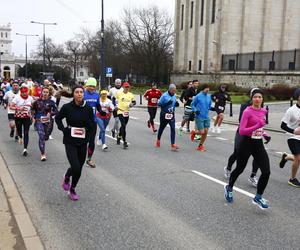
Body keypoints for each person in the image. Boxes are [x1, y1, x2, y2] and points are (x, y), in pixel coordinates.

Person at [224, 89, 271, 210]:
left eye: (260, 97)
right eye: (255, 97)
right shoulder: (247, 111)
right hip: (246, 143)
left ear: (262, 99)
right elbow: (242, 130)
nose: (257, 99)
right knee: (240, 169)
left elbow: (260, 127)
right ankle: (229, 187)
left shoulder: (264, 111)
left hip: (258, 143)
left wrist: (264, 134)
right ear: (252, 98)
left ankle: (258, 197)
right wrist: (257, 125)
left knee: (266, 172)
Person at [55, 85, 94, 201]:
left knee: (79, 168)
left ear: (83, 94)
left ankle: (72, 188)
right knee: (75, 167)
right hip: (70, 141)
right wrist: (63, 129)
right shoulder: (67, 107)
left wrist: (88, 127)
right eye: (77, 92)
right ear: (73, 94)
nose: (79, 94)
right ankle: (67, 177)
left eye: (81, 92)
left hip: (82, 140)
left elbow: (91, 123)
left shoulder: (88, 108)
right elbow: (58, 118)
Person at [280, 88, 300, 187]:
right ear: (297, 97)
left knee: (298, 158)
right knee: (298, 157)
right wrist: (294, 131)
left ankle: (286, 157)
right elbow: (282, 125)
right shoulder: (291, 110)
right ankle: (292, 179)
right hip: (293, 137)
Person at [32, 87, 58, 161]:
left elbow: (57, 111)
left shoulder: (51, 102)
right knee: (41, 136)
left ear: (49, 93)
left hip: (48, 121)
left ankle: (45, 138)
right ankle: (43, 154)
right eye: (44, 92)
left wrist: (51, 113)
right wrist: (33, 116)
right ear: (42, 93)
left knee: (46, 136)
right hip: (39, 120)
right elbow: (32, 109)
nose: (45, 93)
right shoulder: (37, 102)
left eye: (47, 92)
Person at [11, 86, 34, 156]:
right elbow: (11, 106)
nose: (24, 94)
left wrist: (32, 116)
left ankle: (25, 149)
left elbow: (33, 107)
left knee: (26, 132)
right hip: (18, 117)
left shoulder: (30, 98)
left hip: (27, 117)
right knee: (19, 131)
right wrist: (18, 108)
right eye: (23, 92)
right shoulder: (17, 97)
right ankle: (20, 137)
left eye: (26, 92)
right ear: (21, 92)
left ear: (28, 92)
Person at [83, 77, 101, 167]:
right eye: (90, 86)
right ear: (87, 86)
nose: (92, 88)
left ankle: (89, 159)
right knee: (82, 141)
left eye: (93, 86)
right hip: (82, 122)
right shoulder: (82, 94)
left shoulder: (96, 95)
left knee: (91, 141)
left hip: (93, 121)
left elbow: (98, 106)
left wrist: (101, 111)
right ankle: (80, 157)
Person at [156, 84, 179, 151]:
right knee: (162, 128)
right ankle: (158, 140)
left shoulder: (174, 95)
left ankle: (173, 144)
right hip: (164, 114)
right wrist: (167, 103)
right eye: (173, 90)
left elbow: (174, 103)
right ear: (170, 89)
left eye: (175, 90)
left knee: (173, 128)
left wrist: (176, 104)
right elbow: (159, 104)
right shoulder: (164, 96)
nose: (174, 92)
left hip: (171, 114)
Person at [190, 84, 212, 152]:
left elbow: (209, 105)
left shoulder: (209, 96)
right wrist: (195, 110)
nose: (207, 89)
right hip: (199, 116)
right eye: (206, 88)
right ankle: (194, 132)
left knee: (206, 132)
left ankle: (200, 145)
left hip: (206, 116)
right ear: (203, 89)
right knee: (202, 132)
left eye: (208, 88)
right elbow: (192, 105)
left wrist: (213, 108)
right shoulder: (198, 96)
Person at [115, 82, 136, 148]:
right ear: (123, 87)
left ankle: (119, 136)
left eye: (128, 87)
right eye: (126, 87)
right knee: (123, 125)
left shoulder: (131, 94)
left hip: (127, 112)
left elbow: (134, 101)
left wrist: (132, 104)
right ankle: (124, 142)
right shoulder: (119, 93)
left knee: (123, 126)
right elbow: (114, 99)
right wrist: (115, 106)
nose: (127, 88)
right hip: (120, 111)